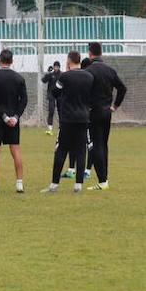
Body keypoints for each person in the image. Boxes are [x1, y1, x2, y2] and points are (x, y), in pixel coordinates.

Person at [42, 51, 94, 193]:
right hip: (83, 118)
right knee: (81, 150)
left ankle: (54, 185)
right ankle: (78, 185)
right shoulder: (89, 77)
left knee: (61, 150)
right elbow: (92, 95)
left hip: (67, 118)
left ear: (69, 61)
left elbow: (55, 92)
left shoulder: (65, 77)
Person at [85, 42, 127, 190]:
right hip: (107, 113)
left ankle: (102, 181)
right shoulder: (110, 70)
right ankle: (104, 179)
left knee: (95, 146)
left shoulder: (88, 71)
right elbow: (122, 88)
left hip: (93, 112)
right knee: (103, 145)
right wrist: (115, 106)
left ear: (90, 54)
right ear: (101, 53)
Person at [0, 49, 28, 194]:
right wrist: (15, 116)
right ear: (12, 61)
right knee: (16, 151)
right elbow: (24, 100)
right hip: (13, 121)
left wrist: (4, 116)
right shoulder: (19, 79)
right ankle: (20, 184)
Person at [41, 60, 61, 135]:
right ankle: (50, 128)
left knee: (60, 111)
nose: (56, 68)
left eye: (57, 67)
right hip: (51, 94)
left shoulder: (61, 74)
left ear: (59, 67)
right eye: (55, 66)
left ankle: (61, 127)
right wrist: (48, 73)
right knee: (51, 110)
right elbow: (43, 80)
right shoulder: (51, 74)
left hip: (59, 95)